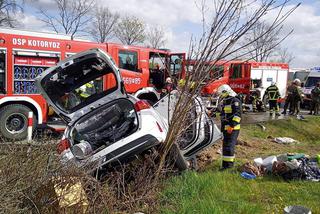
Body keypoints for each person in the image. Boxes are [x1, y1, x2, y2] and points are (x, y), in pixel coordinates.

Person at [216, 84, 242, 170]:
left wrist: (232, 126)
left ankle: (229, 167)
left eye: (221, 93)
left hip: (233, 129)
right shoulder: (226, 101)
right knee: (225, 147)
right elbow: (224, 114)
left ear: (226, 91)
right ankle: (224, 165)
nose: (221, 95)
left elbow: (237, 116)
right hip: (225, 128)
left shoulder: (235, 101)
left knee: (229, 147)